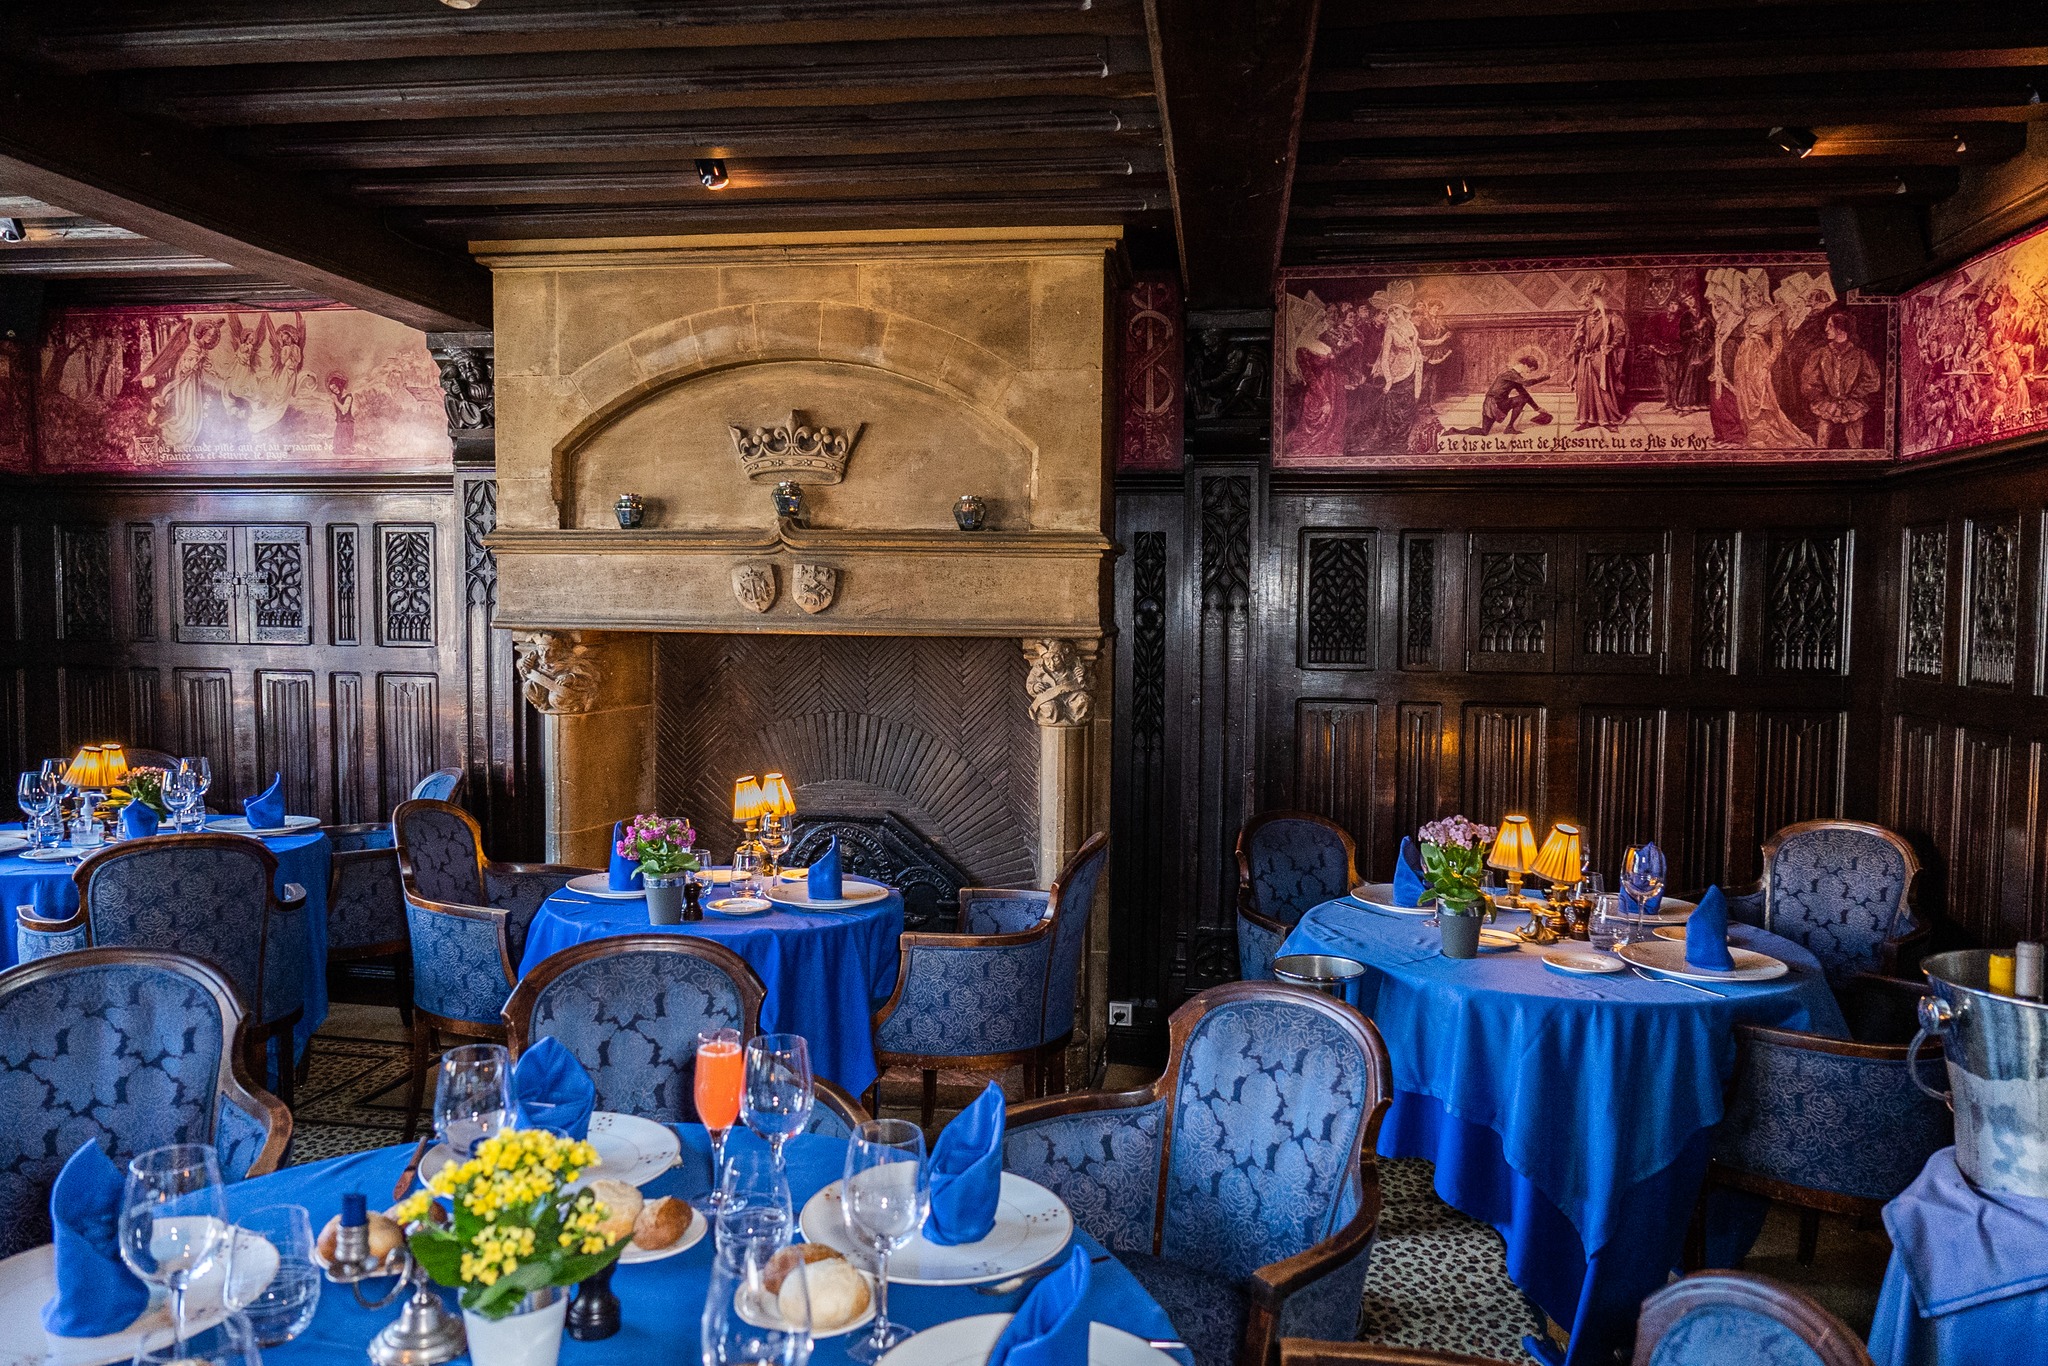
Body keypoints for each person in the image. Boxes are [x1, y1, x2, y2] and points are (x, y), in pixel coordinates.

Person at [1800, 312, 1882, 449]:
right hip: (1827, 404)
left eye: (1830, 326)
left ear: (1840, 329)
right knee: (1821, 446)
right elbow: (1809, 379)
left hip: (1853, 406)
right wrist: (1822, 395)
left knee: (1857, 448)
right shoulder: (1820, 354)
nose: (1826, 329)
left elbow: (1873, 381)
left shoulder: (1860, 355)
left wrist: (1854, 394)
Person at [1568, 285, 1627, 429]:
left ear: (1597, 301)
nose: (1588, 307)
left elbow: (1620, 334)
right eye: (1587, 305)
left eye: (1590, 303)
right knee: (1584, 388)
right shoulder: (1584, 319)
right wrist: (1576, 348)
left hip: (1601, 357)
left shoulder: (1611, 317)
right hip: (1585, 357)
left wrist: (1610, 347)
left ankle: (1606, 418)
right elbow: (1580, 338)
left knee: (1603, 388)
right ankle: (1586, 419)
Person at [1453, 351, 1552, 435]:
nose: (1529, 372)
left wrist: (1537, 408)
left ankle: (1509, 427)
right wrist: (1547, 376)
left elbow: (1524, 394)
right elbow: (1527, 383)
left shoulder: (1516, 377)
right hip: (1492, 405)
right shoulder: (1509, 373)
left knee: (1522, 398)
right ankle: (1455, 431)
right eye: (1530, 370)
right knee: (1484, 432)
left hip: (1500, 403)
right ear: (1525, 365)